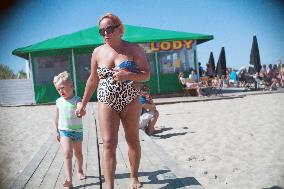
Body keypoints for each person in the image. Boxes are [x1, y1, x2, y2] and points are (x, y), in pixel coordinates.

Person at [75, 13, 150, 189]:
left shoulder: (134, 49)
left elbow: (146, 75)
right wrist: (83, 104)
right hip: (106, 100)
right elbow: (93, 80)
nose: (105, 33)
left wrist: (129, 75)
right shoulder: (97, 52)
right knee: (108, 143)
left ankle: (134, 176)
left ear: (119, 28)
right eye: (102, 31)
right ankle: (109, 186)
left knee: (133, 140)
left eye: (109, 28)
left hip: (131, 99)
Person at [53, 71, 86, 188]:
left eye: (62, 88)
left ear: (71, 86)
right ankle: (69, 180)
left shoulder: (77, 99)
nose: (60, 91)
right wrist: (57, 131)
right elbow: (56, 117)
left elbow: (82, 110)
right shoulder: (58, 101)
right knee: (67, 153)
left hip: (77, 131)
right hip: (64, 131)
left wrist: (80, 111)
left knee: (78, 153)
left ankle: (80, 170)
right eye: (58, 89)